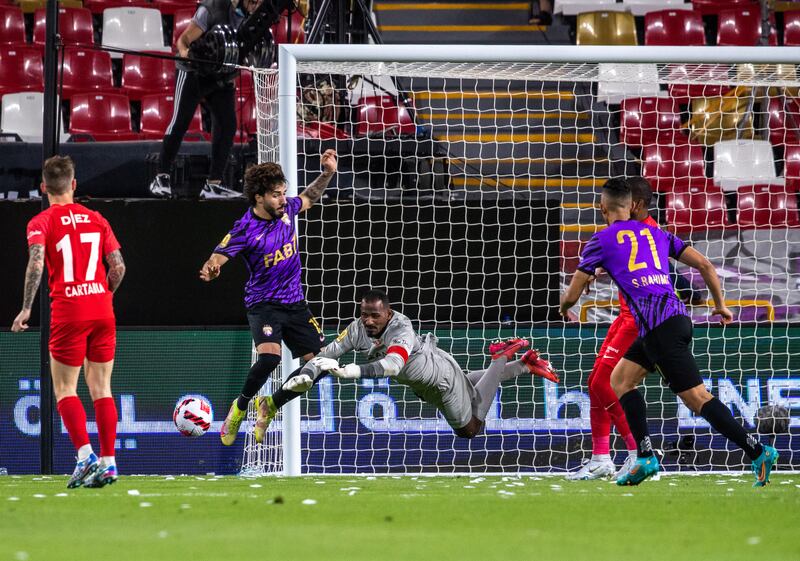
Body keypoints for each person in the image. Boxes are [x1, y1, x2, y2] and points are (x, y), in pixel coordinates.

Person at [560, 178, 778, 487]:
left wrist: (563, 305)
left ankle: (757, 451)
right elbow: (704, 265)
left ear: (602, 207)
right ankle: (644, 455)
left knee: (697, 398)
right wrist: (720, 306)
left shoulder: (601, 239)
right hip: (669, 321)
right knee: (620, 381)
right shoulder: (657, 233)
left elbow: (572, 294)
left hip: (659, 326)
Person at [289, 289, 559, 439]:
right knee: (469, 386)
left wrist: (352, 371)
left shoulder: (401, 328)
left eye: (375, 316)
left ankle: (501, 356)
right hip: (434, 375)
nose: (369, 321)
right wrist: (309, 373)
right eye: (364, 315)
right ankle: (525, 365)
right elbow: (327, 353)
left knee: (470, 428)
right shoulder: (357, 329)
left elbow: (393, 366)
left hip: (440, 381)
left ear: (389, 313)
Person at [200, 150, 337, 445]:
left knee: (323, 364)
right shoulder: (245, 228)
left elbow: (309, 198)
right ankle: (239, 407)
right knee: (270, 358)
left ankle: (270, 404)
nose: (283, 200)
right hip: (263, 304)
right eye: (276, 195)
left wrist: (327, 173)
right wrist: (212, 269)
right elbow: (218, 255)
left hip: (295, 303)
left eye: (284, 193)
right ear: (258, 197)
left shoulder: (286, 210)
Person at [11, 155, 126, 489]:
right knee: (102, 388)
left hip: (69, 309)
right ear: (74, 185)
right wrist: (105, 294)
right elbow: (118, 267)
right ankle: (109, 463)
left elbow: (35, 264)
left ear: (43, 187)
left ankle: (84, 456)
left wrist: (26, 308)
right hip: (101, 307)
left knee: (64, 388)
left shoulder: (41, 222)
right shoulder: (97, 218)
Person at [566, 177, 657, 481]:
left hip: (640, 319)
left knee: (605, 383)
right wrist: (604, 267)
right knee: (596, 382)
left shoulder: (650, 232)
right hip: (626, 315)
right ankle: (601, 457)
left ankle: (639, 454)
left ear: (635, 206)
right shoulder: (632, 233)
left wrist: (567, 303)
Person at [148, 0, 264, 200]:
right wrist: (186, 54)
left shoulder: (252, 19)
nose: (256, 7)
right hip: (195, 72)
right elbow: (183, 41)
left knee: (228, 124)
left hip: (221, 75)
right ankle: (161, 176)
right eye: (254, 2)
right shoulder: (210, 9)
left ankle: (213, 184)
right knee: (180, 121)